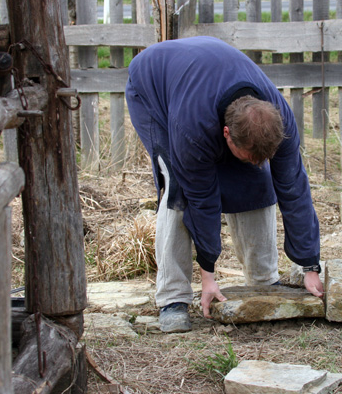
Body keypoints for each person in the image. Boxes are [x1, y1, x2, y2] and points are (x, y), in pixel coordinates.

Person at [125, 36, 323, 333]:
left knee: (258, 179)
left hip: (206, 79)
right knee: (179, 191)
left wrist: (310, 265)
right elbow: (203, 200)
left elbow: (295, 191)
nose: (254, 161)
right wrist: (208, 275)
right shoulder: (193, 130)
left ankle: (263, 281)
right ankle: (173, 297)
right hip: (154, 90)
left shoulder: (281, 123)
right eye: (246, 153)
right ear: (226, 133)